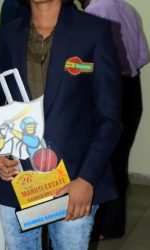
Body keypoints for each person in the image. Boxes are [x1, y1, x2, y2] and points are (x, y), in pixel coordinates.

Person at [0, 0, 122, 249]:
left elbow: (109, 119)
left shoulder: (93, 31)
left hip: (74, 181)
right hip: (17, 180)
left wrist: (87, 179)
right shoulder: (4, 38)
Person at [77, 0, 150, 240]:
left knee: (103, 158)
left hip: (109, 90)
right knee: (119, 158)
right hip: (131, 87)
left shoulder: (93, 12)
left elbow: (92, 62)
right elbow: (142, 56)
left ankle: (101, 226)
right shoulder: (127, 8)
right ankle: (113, 225)